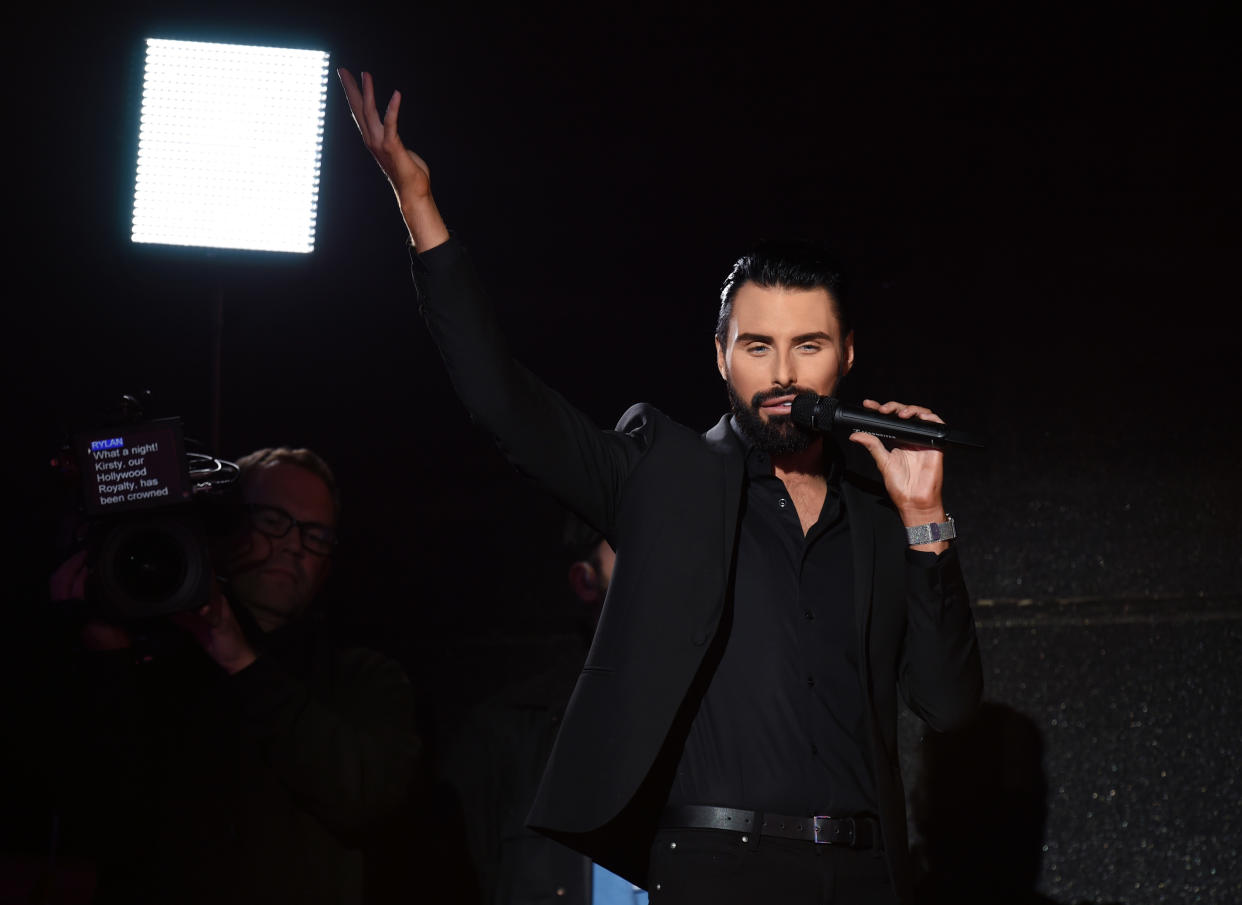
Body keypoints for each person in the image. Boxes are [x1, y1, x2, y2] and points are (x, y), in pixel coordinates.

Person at [339, 67, 983, 904]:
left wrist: (927, 520)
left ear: (846, 354)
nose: (783, 373)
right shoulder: (665, 472)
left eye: (808, 346)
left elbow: (950, 706)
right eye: (757, 347)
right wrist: (417, 203)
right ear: (720, 355)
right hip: (714, 867)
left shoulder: (876, 513)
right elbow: (501, 398)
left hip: (863, 875)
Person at [47, 447, 423, 905]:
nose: (292, 543)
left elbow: (365, 799)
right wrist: (106, 657)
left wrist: (241, 659)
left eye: (316, 534)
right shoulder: (161, 663)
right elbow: (92, 819)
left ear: (329, 563)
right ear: (224, 529)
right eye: (271, 520)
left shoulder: (364, 677)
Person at [442, 516, 646, 905]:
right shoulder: (509, 734)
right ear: (585, 580)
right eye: (634, 543)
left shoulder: (728, 727)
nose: (661, 563)